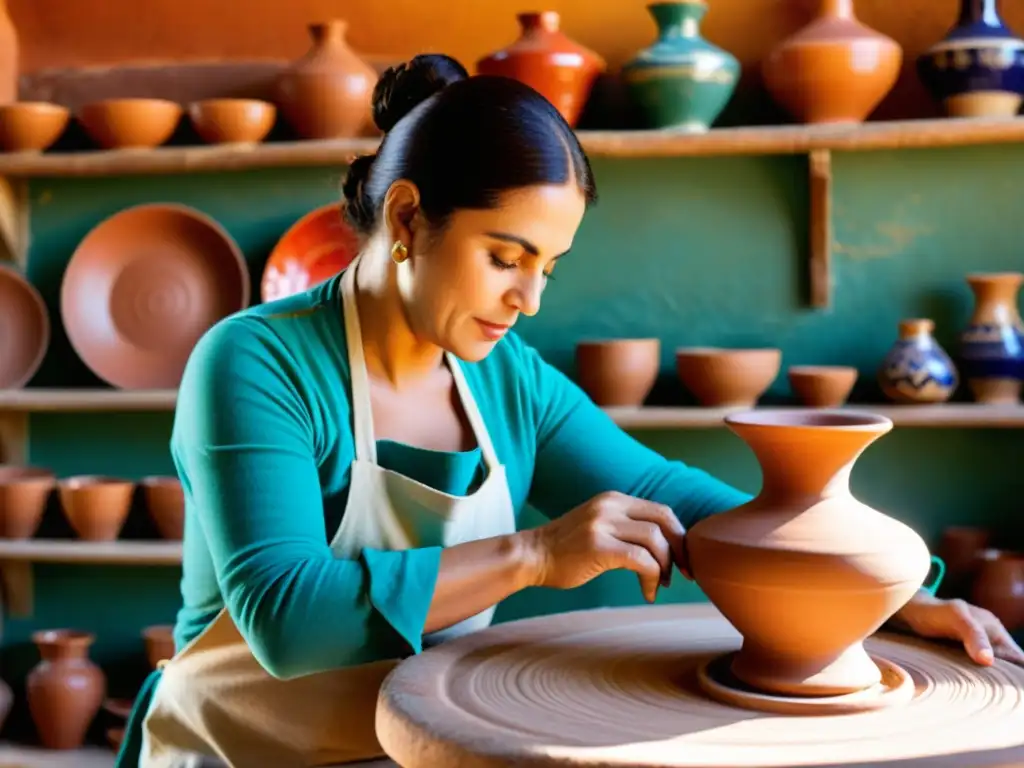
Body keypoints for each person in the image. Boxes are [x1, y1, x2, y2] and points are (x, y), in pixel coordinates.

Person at [116, 53, 1024, 768]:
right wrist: (536, 555)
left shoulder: (507, 379)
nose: (530, 300)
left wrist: (898, 600)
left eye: (548, 267)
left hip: (410, 752)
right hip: (237, 756)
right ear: (406, 219)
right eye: (506, 256)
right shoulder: (256, 362)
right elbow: (288, 620)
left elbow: (676, 500)